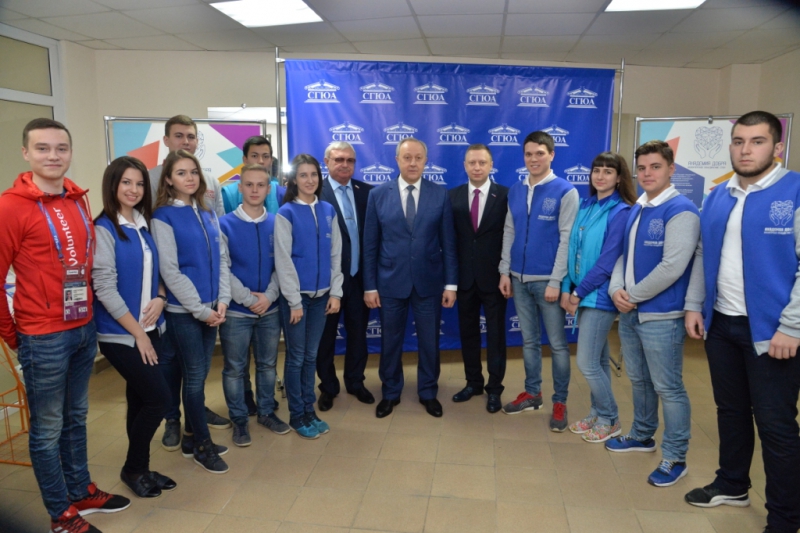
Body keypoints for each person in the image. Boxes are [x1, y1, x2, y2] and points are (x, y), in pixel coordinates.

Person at [0, 118, 129, 533]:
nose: (53, 156)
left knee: (75, 418)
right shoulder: (10, 207)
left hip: (81, 326)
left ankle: (80, 490)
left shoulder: (77, 198)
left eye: (61, 148)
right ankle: (60, 513)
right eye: (42, 148)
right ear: (26, 153)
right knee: (47, 430)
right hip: (42, 335)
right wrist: (14, 335)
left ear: (70, 152)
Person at [683, 111, 800, 533]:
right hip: (722, 324)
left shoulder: (795, 191)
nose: (745, 150)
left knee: (775, 425)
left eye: (757, 141)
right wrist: (695, 305)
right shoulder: (718, 195)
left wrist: (792, 327)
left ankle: (785, 518)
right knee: (730, 411)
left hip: (773, 332)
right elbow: (704, 254)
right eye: (738, 141)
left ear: (777, 147)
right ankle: (732, 484)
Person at [606, 140, 699, 487]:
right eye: (642, 168)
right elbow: (622, 255)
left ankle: (675, 456)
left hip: (662, 315)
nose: (647, 173)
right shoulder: (638, 207)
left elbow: (673, 266)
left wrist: (631, 296)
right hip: (631, 312)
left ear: (671, 169)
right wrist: (617, 289)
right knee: (640, 380)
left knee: (668, 387)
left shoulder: (682, 210)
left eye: (655, 167)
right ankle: (642, 435)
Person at [92, 156, 176, 498]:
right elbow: (104, 288)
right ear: (113, 185)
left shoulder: (144, 223)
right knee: (159, 399)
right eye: (126, 182)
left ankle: (142, 467)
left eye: (140, 183)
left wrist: (160, 297)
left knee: (140, 398)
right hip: (120, 334)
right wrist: (138, 334)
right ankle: (133, 468)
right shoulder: (104, 228)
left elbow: (156, 272)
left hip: (150, 327)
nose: (134, 189)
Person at [363, 137, 459, 419]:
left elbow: (449, 243)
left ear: (425, 161)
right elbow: (370, 245)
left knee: (429, 342)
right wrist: (370, 286)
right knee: (390, 341)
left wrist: (451, 284)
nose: (413, 163)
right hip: (390, 281)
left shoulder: (439, 195)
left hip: (429, 282)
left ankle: (428, 392)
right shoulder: (378, 195)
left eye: (418, 158)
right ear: (397, 160)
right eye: (407, 158)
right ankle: (390, 392)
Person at [151, 115, 230, 452]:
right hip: (185, 312)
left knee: (198, 377)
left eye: (193, 172)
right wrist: (200, 310)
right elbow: (170, 271)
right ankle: (200, 443)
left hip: (213, 309)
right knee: (194, 378)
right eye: (181, 173)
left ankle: (190, 437)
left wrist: (222, 300)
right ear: (168, 179)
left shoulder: (208, 213)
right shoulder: (163, 216)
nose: (189, 178)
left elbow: (221, 259)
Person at [498, 130, 578, 432]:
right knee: (529, 341)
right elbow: (510, 231)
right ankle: (533, 394)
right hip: (518, 279)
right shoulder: (516, 191)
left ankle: (560, 401)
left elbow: (567, 239)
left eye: (540, 153)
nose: (534, 159)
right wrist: (505, 271)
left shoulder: (565, 191)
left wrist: (556, 281)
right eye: (529, 154)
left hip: (548, 282)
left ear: (551, 155)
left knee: (557, 345)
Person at [561, 152, 635, 442]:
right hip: (581, 292)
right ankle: (597, 412)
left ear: (619, 178)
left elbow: (607, 261)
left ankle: (610, 418)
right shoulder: (587, 205)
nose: (600, 176)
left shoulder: (621, 211)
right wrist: (568, 287)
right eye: (597, 170)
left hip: (599, 297)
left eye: (608, 171)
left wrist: (577, 293)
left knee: (587, 363)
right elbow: (573, 250)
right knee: (600, 361)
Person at [218, 164, 289, 446]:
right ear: (240, 188)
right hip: (237, 312)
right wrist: (248, 299)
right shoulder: (224, 224)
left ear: (269, 189)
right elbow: (223, 268)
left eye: (261, 185)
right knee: (235, 368)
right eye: (249, 184)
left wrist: (269, 296)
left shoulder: (277, 222)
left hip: (270, 309)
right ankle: (239, 420)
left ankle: (266, 412)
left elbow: (283, 264)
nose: (255, 190)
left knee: (268, 365)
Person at [275, 154, 343, 438]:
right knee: (296, 357)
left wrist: (336, 292)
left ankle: (309, 410)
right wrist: (293, 301)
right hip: (297, 300)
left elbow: (336, 255)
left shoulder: (328, 210)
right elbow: (283, 260)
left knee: (311, 355)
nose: (309, 180)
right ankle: (297, 414)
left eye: (313, 174)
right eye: (303, 175)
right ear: (294, 180)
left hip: (322, 297)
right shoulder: (286, 213)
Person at [448, 144, 509, 413]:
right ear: (464, 165)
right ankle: (473, 382)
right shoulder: (452, 196)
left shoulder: (505, 195)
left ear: (491, 165)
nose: (477, 167)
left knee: (496, 336)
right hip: (464, 279)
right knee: (468, 334)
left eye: (482, 162)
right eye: (472, 162)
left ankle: (494, 389)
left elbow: (510, 236)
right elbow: (449, 241)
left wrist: (505, 272)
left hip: (495, 279)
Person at [316, 141, 375, 412]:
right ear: (326, 162)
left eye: (350, 160)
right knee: (325, 338)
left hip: (360, 279)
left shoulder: (368, 192)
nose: (344, 165)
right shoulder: (315, 192)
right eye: (338, 159)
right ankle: (328, 387)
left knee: (358, 334)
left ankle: (355, 381)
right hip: (328, 281)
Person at [221, 135, 285, 216]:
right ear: (245, 160)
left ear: (271, 161)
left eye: (265, 156)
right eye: (254, 156)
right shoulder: (228, 194)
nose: (260, 161)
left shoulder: (280, 193)